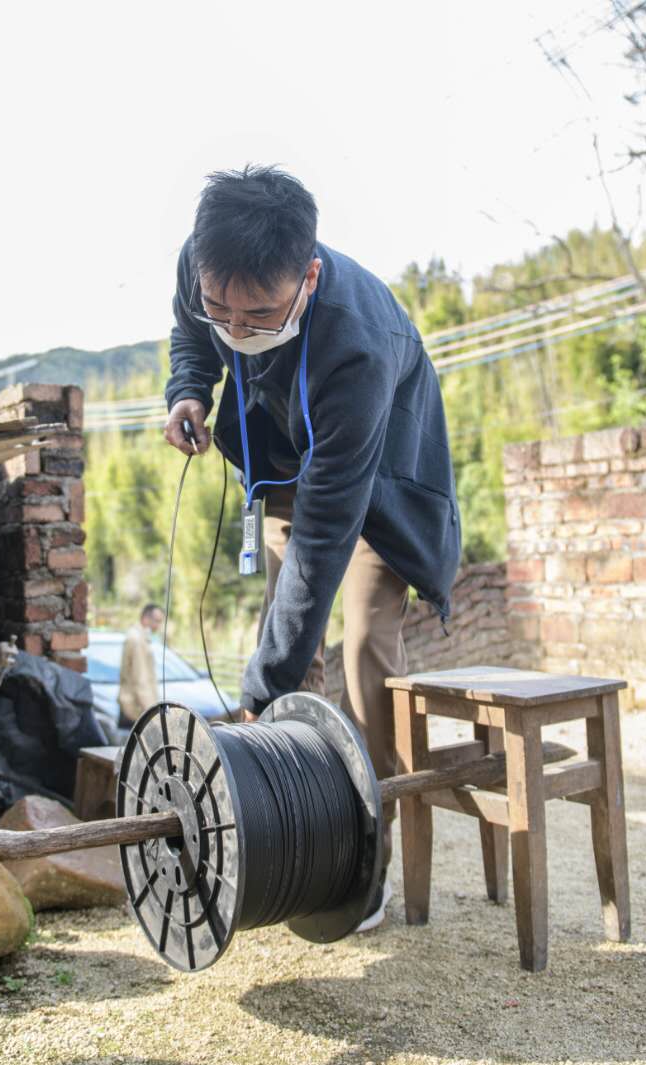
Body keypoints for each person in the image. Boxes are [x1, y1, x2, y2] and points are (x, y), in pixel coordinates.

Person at [162, 165, 461, 931]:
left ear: (309, 275)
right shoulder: (207, 269)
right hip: (291, 460)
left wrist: (257, 693)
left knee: (363, 646)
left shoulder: (357, 347)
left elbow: (328, 532)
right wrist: (189, 390)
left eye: (260, 316)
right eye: (222, 307)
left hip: (375, 481)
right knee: (289, 644)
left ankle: (369, 858)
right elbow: (192, 335)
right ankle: (295, 837)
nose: (238, 329)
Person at [118, 603, 165, 726]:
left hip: (134, 706)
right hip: (135, 709)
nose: (158, 626)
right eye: (157, 621)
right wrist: (152, 711)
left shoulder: (138, 637)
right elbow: (140, 679)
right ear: (146, 618)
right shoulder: (137, 640)